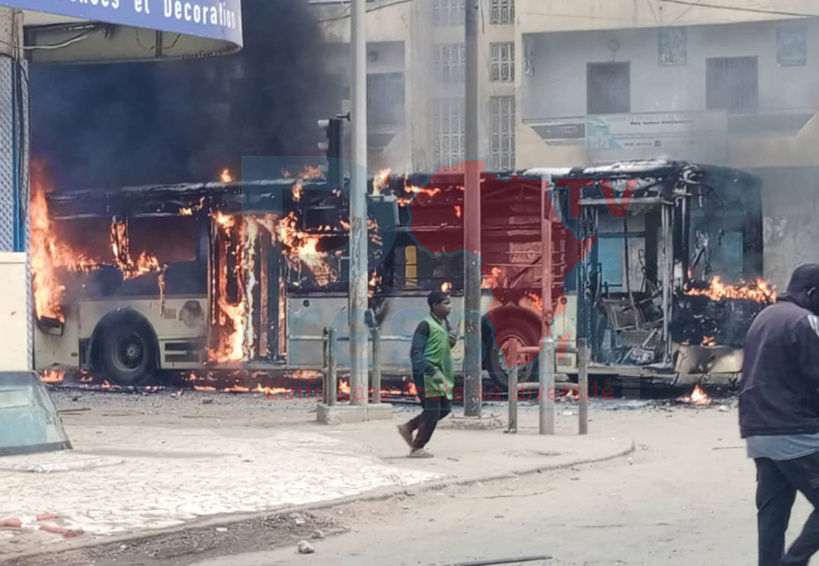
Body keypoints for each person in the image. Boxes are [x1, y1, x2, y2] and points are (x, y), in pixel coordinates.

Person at [740, 264, 819, 566]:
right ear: (811, 293)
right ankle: (794, 562)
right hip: (792, 430)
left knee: (772, 516)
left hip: (758, 430)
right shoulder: (804, 322)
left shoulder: (764, 317)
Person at [397, 290, 457, 458]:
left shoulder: (442, 325)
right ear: (435, 306)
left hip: (439, 375)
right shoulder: (425, 325)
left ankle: (408, 427)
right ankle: (417, 447)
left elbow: (439, 349)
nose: (450, 307)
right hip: (427, 375)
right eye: (446, 304)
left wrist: (451, 341)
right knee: (432, 410)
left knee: (444, 409)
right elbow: (416, 352)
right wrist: (429, 370)